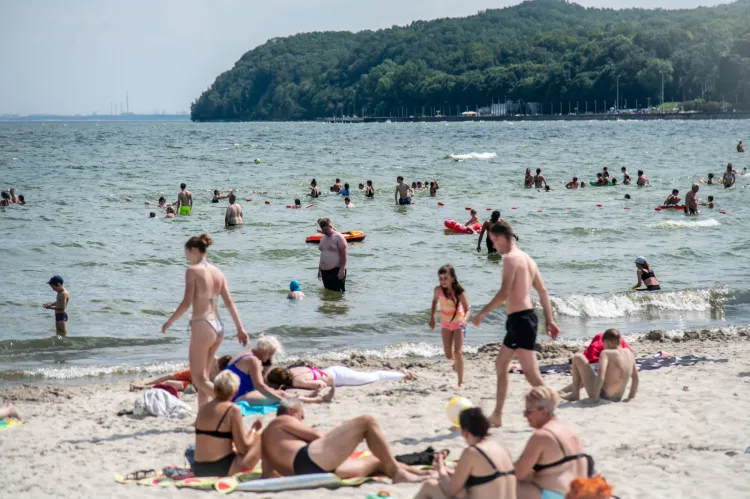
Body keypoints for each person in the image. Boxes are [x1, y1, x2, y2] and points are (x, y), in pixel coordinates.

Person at [472, 221, 559, 427]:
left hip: (521, 321)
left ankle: (552, 411)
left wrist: (482, 313)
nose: (493, 246)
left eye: (493, 241)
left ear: (501, 238)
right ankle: (497, 415)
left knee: (531, 374)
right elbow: (543, 291)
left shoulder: (511, 259)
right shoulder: (528, 259)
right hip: (520, 321)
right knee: (501, 364)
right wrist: (550, 319)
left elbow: (504, 292)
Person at [162, 234, 249, 407]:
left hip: (203, 325)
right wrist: (240, 329)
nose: (186, 258)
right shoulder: (218, 272)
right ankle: (203, 414)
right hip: (218, 327)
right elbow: (229, 303)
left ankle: (233, 402)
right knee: (204, 376)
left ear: (194, 250)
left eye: (187, 253)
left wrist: (169, 321)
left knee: (199, 379)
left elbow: (186, 302)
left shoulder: (192, 271)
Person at [260, 399, 425, 482]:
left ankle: (423, 474)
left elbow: (267, 474)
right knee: (367, 421)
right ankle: (398, 474)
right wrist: (347, 439)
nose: (300, 422)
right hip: (308, 460)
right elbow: (318, 436)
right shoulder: (281, 420)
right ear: (293, 410)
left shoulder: (265, 437)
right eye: (301, 417)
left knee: (376, 460)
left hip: (307, 473)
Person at [414, 407, 516, 499]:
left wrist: (440, 468)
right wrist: (446, 471)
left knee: (430, 486)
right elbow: (487, 477)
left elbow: (450, 490)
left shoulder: (472, 452)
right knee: (462, 492)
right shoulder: (501, 449)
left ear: (465, 432)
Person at [515, 387, 591, 499]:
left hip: (558, 496)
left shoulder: (542, 436)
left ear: (544, 412)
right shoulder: (568, 431)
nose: (525, 415)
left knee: (503, 483)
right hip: (580, 495)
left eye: (529, 411)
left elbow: (518, 473)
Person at [192, 370, 263, 477]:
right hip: (221, 468)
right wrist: (254, 428)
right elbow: (243, 448)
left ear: (214, 389)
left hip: (199, 468)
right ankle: (269, 470)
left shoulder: (202, 409)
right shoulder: (232, 409)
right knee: (262, 439)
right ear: (235, 392)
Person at [561, 329, 638, 403]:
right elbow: (635, 378)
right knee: (591, 373)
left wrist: (594, 398)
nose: (603, 346)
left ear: (607, 343)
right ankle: (568, 392)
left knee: (578, 357)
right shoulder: (629, 353)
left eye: (603, 343)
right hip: (618, 398)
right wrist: (630, 397)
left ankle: (575, 394)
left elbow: (601, 376)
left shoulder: (606, 353)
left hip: (603, 396)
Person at [430, 265, 471, 387]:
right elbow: (434, 301)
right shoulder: (438, 289)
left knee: (457, 352)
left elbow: (467, 309)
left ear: (452, 278)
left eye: (445, 278)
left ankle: (460, 381)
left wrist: (464, 321)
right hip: (446, 324)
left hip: (459, 323)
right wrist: (432, 317)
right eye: (441, 278)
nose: (443, 281)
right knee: (448, 355)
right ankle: (455, 363)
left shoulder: (459, 292)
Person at [130, 356, 231, 392]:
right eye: (217, 366)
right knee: (170, 376)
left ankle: (142, 388)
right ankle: (146, 384)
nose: (216, 368)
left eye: (219, 369)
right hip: (193, 374)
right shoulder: (213, 358)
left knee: (169, 382)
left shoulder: (221, 376)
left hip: (195, 385)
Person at [266, 365, 415, 390]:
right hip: (334, 370)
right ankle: (399, 373)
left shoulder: (296, 381)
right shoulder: (293, 370)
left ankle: (404, 376)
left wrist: (295, 387)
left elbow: (320, 385)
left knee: (374, 377)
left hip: (340, 378)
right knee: (370, 375)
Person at [317, 218, 347, 292]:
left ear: (330, 226)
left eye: (326, 229)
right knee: (328, 294)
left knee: (338, 295)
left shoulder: (338, 237)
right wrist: (319, 269)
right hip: (324, 272)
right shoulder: (323, 238)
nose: (324, 231)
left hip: (336, 271)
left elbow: (344, 254)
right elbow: (322, 254)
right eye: (322, 230)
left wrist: (342, 269)